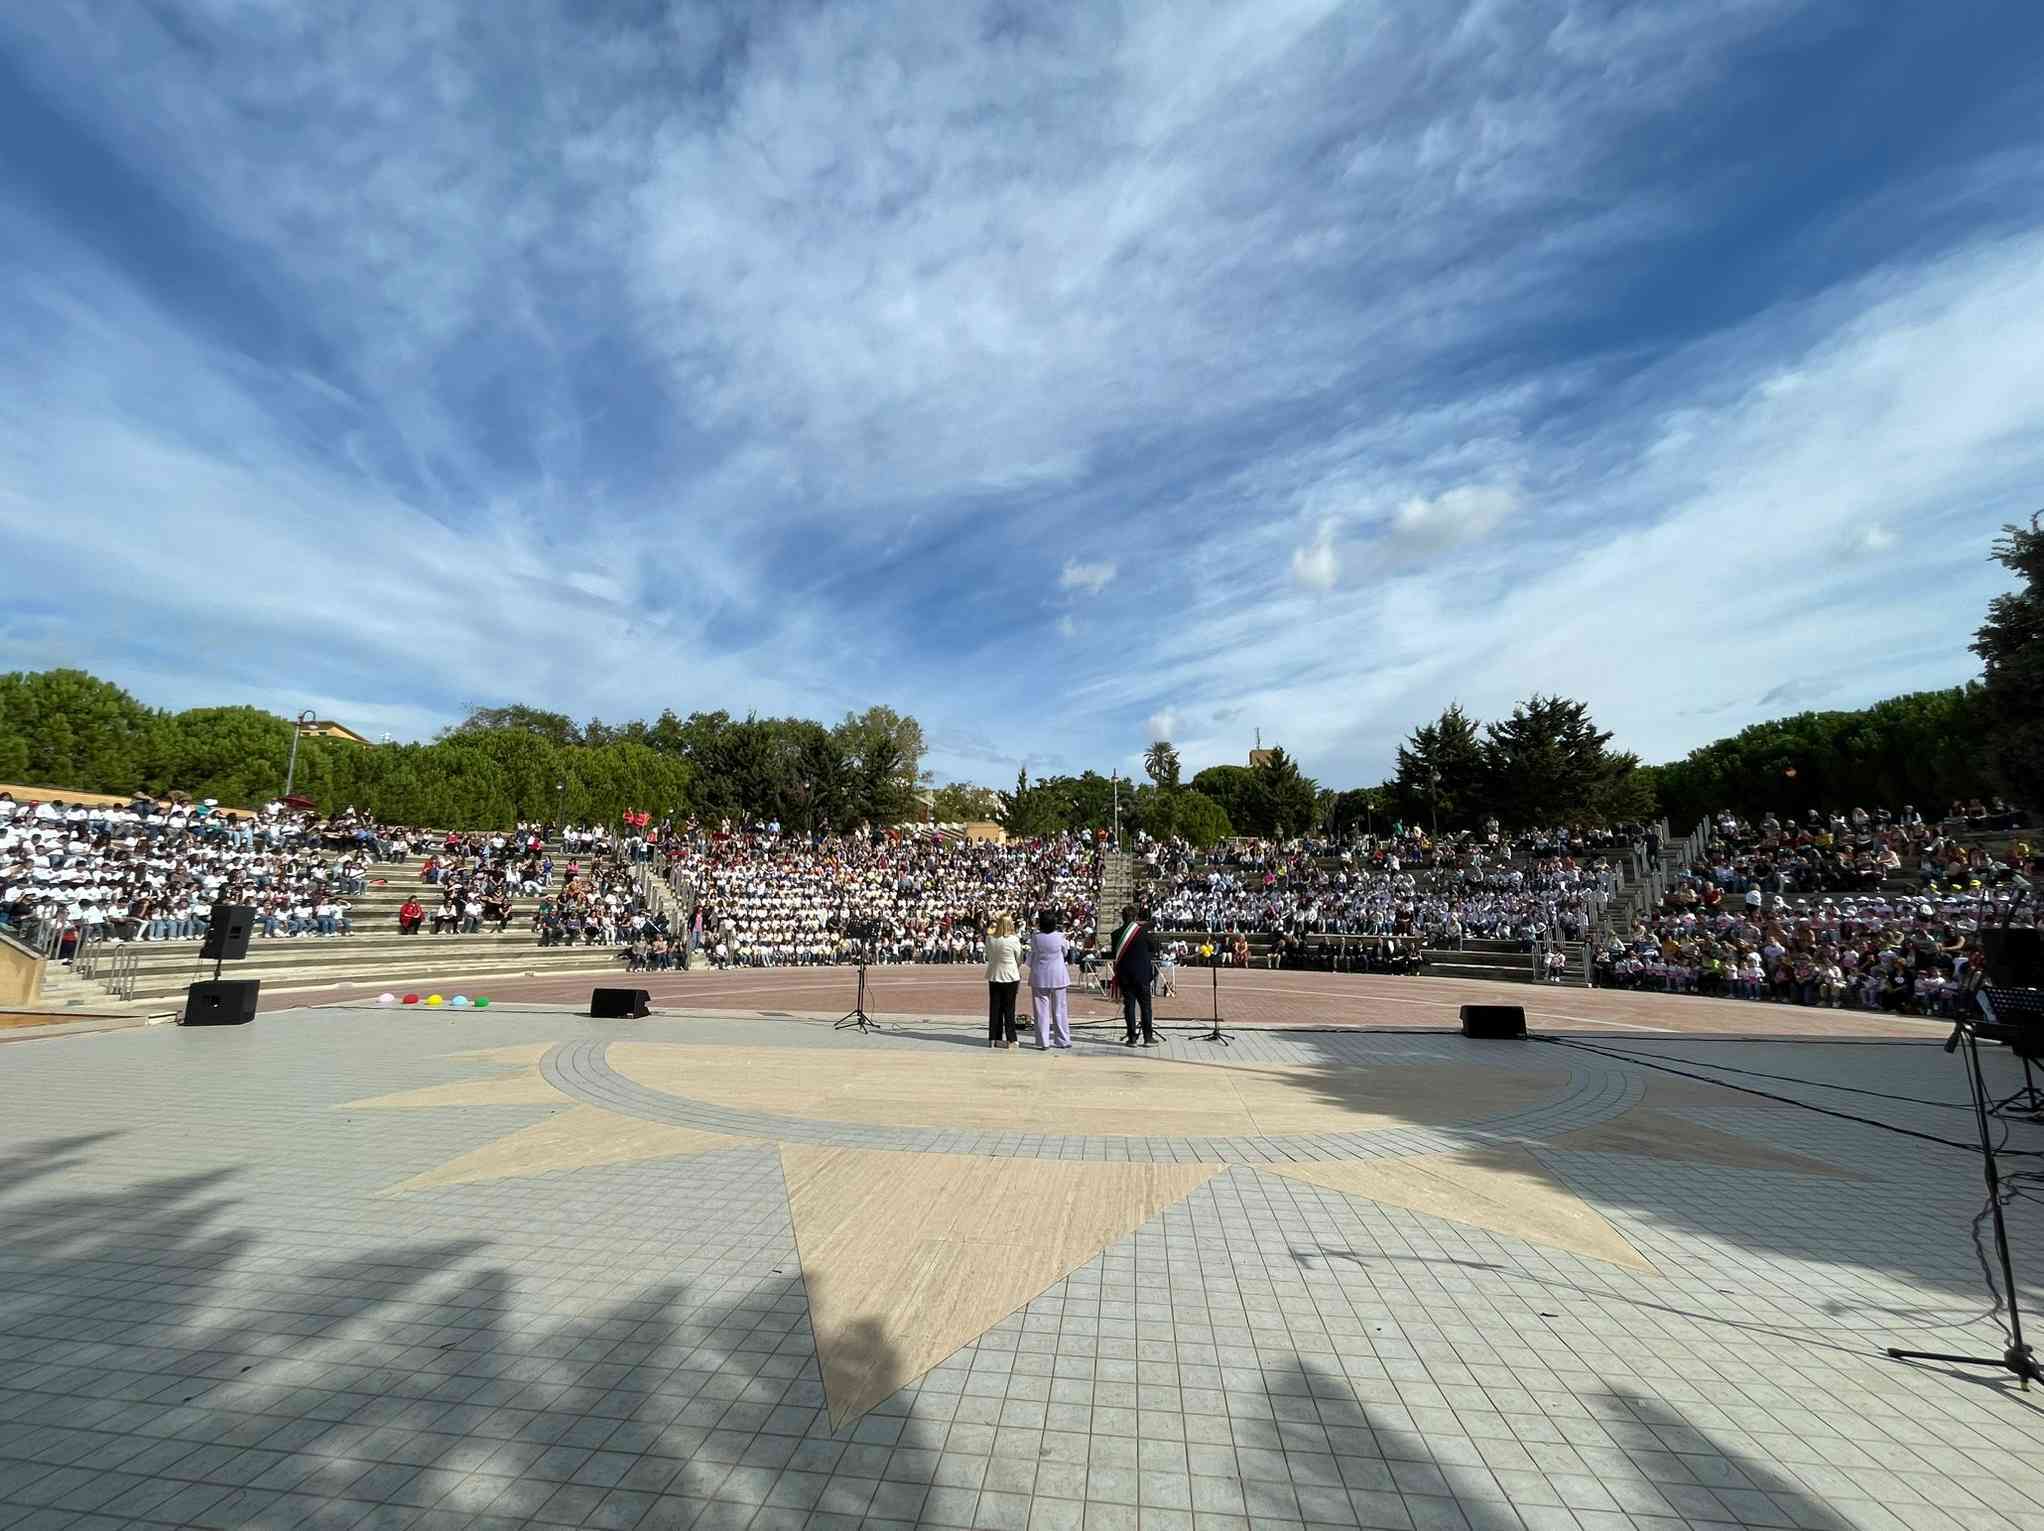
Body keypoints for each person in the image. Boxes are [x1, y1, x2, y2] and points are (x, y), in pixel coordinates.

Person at [1110, 903, 1159, 1047]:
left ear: (1123, 917)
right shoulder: (1144, 932)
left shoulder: (1116, 934)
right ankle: (1148, 1038)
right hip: (1142, 975)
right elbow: (1154, 948)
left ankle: (1132, 1038)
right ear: (1135, 917)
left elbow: (1115, 954)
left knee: (1129, 1007)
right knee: (1146, 1007)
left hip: (1125, 975)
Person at [1027, 907, 1073, 1050]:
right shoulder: (1060, 937)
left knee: (1041, 1010)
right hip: (1058, 975)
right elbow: (1065, 953)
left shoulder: (1035, 937)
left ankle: (1043, 1041)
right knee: (1060, 1009)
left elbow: (1032, 954)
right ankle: (1063, 1039)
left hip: (1040, 975)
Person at [984, 913, 1023, 1050]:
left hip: (994, 974)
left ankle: (994, 1038)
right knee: (1009, 1008)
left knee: (995, 1008)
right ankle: (1011, 1038)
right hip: (1010, 975)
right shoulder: (1014, 940)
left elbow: (988, 956)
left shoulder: (990, 939)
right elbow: (1019, 958)